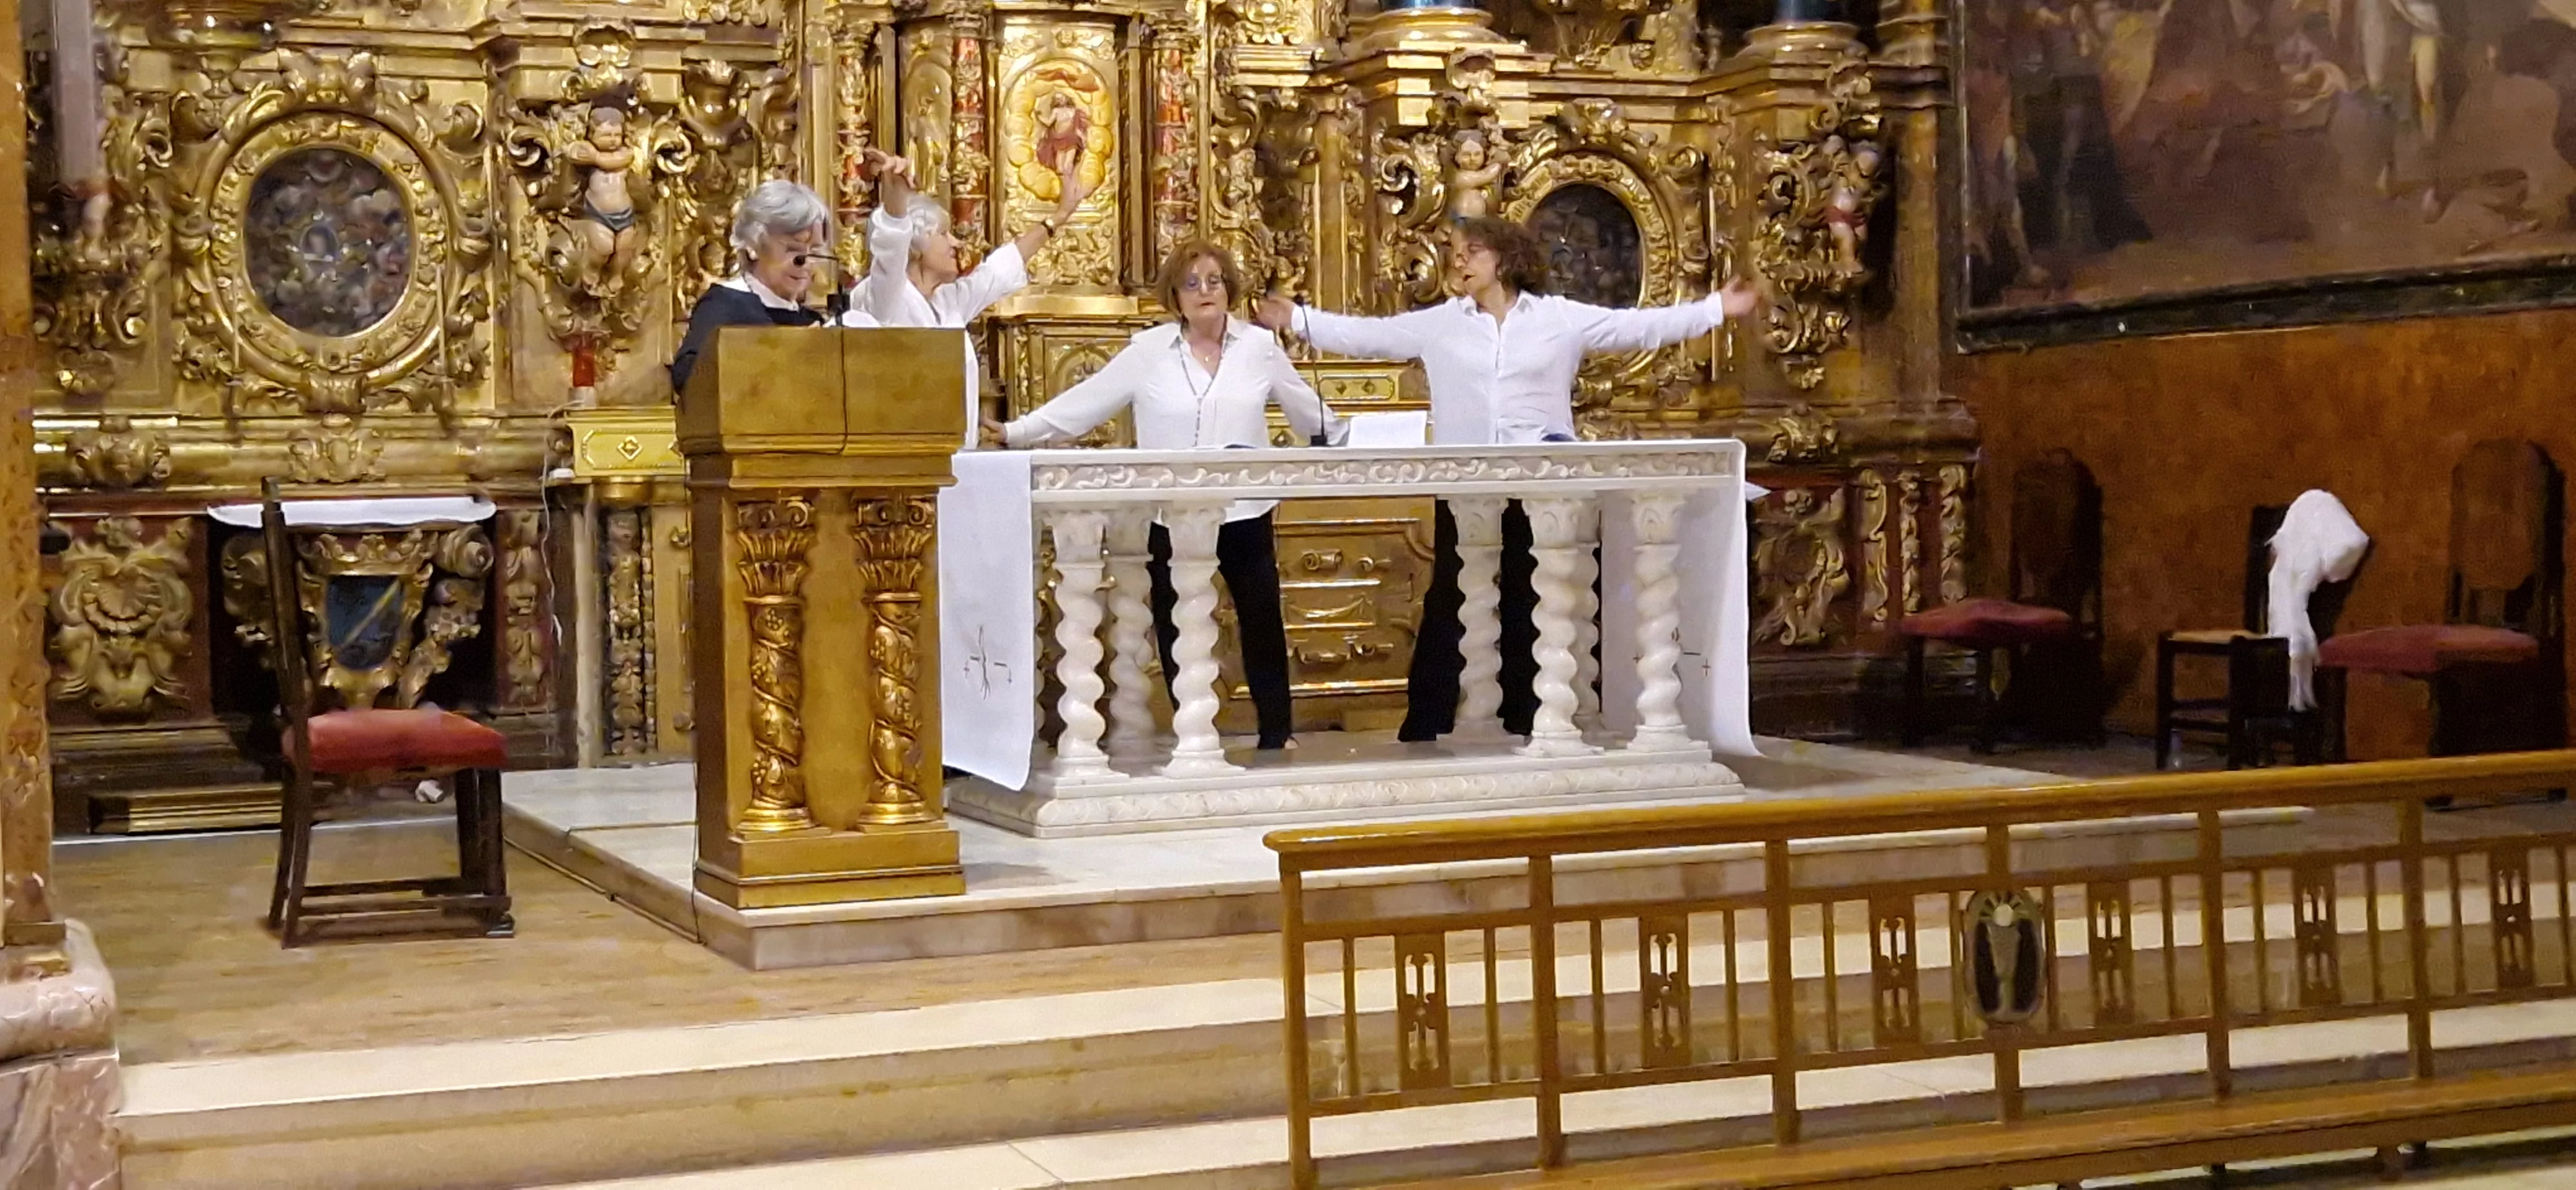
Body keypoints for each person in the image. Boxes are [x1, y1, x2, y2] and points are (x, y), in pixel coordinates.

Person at [1254, 215, 1755, 744]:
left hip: (1537, 479)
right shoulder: (1443, 322)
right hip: (1467, 480)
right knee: (1451, 593)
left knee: (1528, 592)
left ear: (1505, 258)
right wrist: (1299, 319)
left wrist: (1716, 308)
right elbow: (1369, 336)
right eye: (1457, 252)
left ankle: (1526, 715)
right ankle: (1427, 721)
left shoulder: (1558, 319)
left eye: (1471, 251)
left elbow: (1638, 327)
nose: (1459, 261)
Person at [989, 242, 1345, 751]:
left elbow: (1310, 413)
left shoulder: (1259, 348)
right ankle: (1193, 730)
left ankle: (1276, 731)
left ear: (1230, 289)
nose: (1206, 292)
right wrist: (1016, 431)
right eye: (1193, 283)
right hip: (1171, 512)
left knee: (1261, 618)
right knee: (1177, 622)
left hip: (1244, 509)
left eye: (1215, 281)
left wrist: (1361, 438)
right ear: (1175, 296)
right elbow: (1084, 405)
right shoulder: (1149, 351)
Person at [857, 146, 1095, 447]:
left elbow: (1001, 267)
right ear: (915, 243)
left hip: (956, 456)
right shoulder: (883, 296)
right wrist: (895, 208)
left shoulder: (948, 300)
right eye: (943, 234)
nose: (956, 243)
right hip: (905, 457)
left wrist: (1058, 218)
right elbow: (889, 257)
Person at [669, 180, 876, 394]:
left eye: (814, 250)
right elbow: (687, 377)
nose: (805, 262)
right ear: (754, 246)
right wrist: (785, 352)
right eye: (793, 249)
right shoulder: (724, 304)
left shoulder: (812, 321)